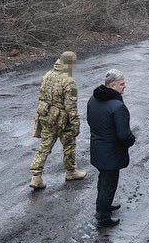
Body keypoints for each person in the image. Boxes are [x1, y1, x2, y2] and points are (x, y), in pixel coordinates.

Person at [30, 51, 87, 189]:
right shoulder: (69, 81)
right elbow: (71, 106)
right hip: (62, 119)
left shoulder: (47, 75)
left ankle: (36, 177)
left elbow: (42, 96)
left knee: (44, 146)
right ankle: (71, 172)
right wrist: (75, 124)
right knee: (69, 145)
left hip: (45, 115)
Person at [87, 69, 136, 227]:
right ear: (112, 85)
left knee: (103, 180)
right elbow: (123, 135)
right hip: (111, 153)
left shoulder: (92, 100)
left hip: (97, 149)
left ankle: (103, 206)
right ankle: (103, 217)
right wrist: (131, 140)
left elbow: (90, 122)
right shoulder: (117, 106)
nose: (124, 87)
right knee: (109, 184)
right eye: (122, 84)